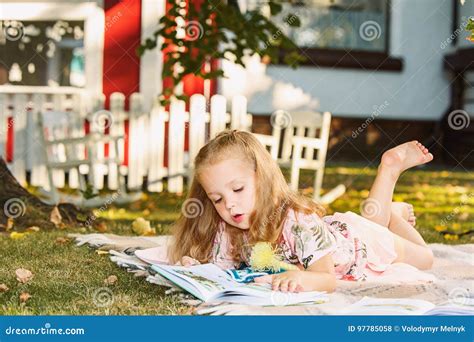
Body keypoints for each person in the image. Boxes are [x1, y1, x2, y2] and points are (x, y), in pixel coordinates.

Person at [170, 130, 434, 293]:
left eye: (238, 189)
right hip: (336, 234)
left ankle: (391, 189)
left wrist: (301, 277)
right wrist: (197, 269)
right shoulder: (228, 225)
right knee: (374, 220)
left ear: (262, 178)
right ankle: (386, 213)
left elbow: (327, 280)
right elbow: (223, 270)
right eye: (217, 198)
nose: (228, 205)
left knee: (425, 258)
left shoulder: (297, 221)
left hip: (362, 243)